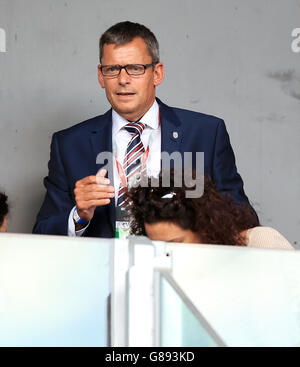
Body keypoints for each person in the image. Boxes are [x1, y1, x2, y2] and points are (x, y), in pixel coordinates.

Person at [33, 21, 257, 238]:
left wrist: (194, 214)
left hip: (181, 269)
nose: (123, 80)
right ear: (101, 76)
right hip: (99, 272)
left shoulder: (206, 133)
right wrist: (79, 216)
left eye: (135, 69)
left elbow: (244, 222)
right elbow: (41, 232)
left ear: (157, 73)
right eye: (112, 69)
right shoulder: (69, 144)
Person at [126, 173, 293, 250]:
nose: (165, 254)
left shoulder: (260, 243)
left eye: (175, 244)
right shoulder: (169, 275)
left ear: (204, 227)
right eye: (157, 246)